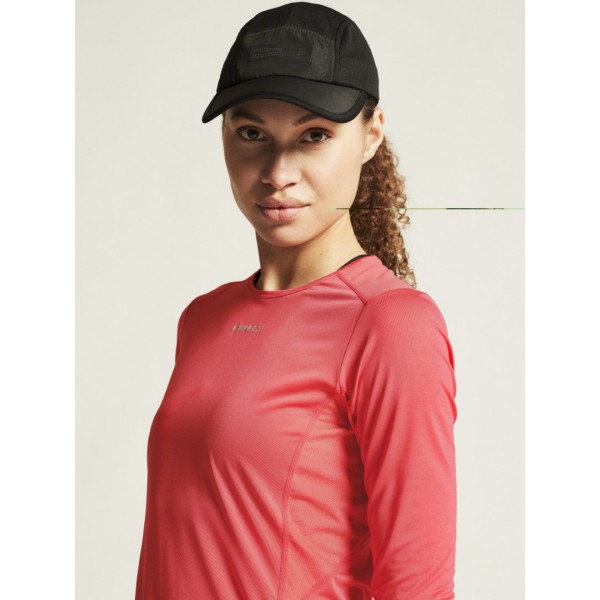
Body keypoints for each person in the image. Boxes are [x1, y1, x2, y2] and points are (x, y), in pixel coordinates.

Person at [135, 2, 458, 599]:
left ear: (371, 135)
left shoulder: (391, 325)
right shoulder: (203, 318)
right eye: (252, 134)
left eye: (314, 136)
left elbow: (419, 586)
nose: (278, 171)